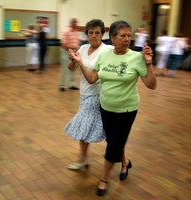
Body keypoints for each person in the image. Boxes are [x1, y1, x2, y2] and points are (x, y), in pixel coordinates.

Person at [70, 20, 156, 196]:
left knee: (113, 144)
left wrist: (148, 63)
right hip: (105, 106)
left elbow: (151, 85)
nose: (126, 39)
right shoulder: (104, 55)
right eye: (122, 36)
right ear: (113, 38)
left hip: (126, 109)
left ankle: (104, 178)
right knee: (112, 140)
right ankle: (125, 162)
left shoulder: (134, 57)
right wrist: (79, 63)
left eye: (129, 36)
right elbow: (92, 78)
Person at [65, 19, 113, 170]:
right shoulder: (83, 48)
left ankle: (82, 158)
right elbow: (71, 68)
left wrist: (79, 63)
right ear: (86, 34)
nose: (93, 36)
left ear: (102, 34)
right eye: (91, 33)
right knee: (105, 129)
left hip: (97, 94)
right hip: (84, 93)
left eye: (97, 33)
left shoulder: (107, 50)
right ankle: (120, 156)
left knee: (84, 124)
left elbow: (95, 77)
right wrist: (73, 60)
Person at [59, 17, 84, 91]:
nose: (76, 24)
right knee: (65, 68)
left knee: (74, 68)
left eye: (76, 23)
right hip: (66, 51)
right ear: (71, 23)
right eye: (75, 22)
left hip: (75, 51)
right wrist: (71, 50)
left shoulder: (76, 31)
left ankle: (71, 84)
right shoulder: (66, 31)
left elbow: (79, 40)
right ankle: (62, 85)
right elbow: (63, 44)